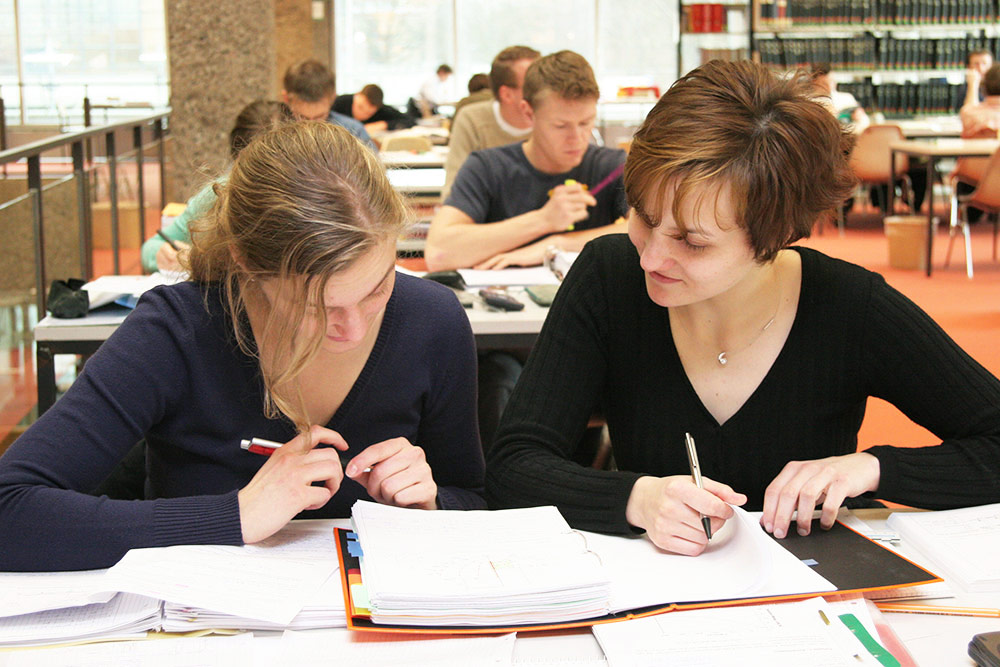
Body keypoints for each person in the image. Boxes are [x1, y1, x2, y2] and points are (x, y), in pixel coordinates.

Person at [485, 60, 1000, 557]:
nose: (652, 256)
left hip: (819, 608)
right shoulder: (608, 275)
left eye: (693, 242)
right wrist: (637, 499)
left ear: (771, 238)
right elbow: (513, 465)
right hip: (661, 604)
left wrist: (872, 469)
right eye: (643, 216)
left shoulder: (848, 305)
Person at [0, 122, 485, 571]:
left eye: (378, 287)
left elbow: (479, 500)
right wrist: (233, 517)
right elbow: (9, 507)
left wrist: (434, 503)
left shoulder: (433, 321)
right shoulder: (177, 331)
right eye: (317, 307)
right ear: (246, 263)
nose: (353, 330)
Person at [426, 49, 627, 272]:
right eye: (560, 126)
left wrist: (555, 245)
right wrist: (544, 220)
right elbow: (438, 253)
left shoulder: (612, 166)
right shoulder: (486, 167)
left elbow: (647, 231)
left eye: (586, 123)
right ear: (528, 113)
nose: (577, 138)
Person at [141, 100, 293, 273]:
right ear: (238, 161)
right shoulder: (217, 194)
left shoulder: (312, 199)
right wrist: (163, 255)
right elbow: (151, 247)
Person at [443, 46, 540, 200]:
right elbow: (454, 195)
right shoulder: (472, 120)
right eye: (534, 85)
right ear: (507, 94)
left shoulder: (556, 120)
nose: (544, 91)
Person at [281, 59, 375, 150]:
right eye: (302, 117)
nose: (311, 125)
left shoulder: (353, 131)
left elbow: (374, 165)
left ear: (333, 98)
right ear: (286, 98)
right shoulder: (275, 134)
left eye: (320, 116)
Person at [810, 63, 869, 133]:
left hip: (849, 138)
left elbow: (865, 122)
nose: (829, 87)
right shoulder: (808, 102)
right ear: (814, 82)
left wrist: (859, 117)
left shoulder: (847, 98)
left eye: (832, 82)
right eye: (824, 84)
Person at [333, 84, 416, 134]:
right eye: (360, 107)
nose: (361, 114)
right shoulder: (339, 102)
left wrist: (383, 124)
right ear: (357, 95)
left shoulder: (382, 111)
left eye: (368, 113)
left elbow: (410, 121)